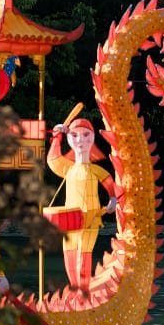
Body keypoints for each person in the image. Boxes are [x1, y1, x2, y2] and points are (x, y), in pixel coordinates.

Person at [48, 118, 117, 293]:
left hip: (91, 219)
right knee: (69, 252)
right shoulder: (67, 168)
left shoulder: (95, 170)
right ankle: (75, 288)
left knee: (84, 253)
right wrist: (57, 136)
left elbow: (110, 184)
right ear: (70, 138)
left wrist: (113, 200)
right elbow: (52, 159)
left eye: (86, 135)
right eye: (75, 135)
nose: (80, 140)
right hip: (70, 219)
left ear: (93, 138)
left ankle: (84, 290)